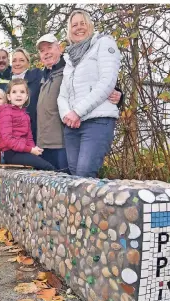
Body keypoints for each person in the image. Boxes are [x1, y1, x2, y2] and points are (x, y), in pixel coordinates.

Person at [36, 34, 122, 172]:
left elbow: (92, 81)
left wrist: (118, 93)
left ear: (59, 48)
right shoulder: (40, 77)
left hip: (64, 142)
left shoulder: (70, 67)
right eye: (42, 51)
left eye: (49, 48)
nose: (46, 53)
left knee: (77, 180)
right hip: (44, 144)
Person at [58, 10, 121, 178]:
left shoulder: (104, 43)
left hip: (97, 122)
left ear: (90, 25)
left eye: (82, 23)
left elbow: (107, 82)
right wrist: (67, 115)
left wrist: (77, 112)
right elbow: (62, 95)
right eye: (74, 25)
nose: (79, 28)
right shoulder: (70, 59)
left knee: (85, 174)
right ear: (69, 30)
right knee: (75, 175)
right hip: (73, 126)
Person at [0, 79, 55, 170]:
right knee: (47, 167)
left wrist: (33, 149)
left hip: (23, 151)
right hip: (11, 153)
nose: (18, 95)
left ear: (27, 96)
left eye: (22, 92)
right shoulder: (5, 113)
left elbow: (29, 137)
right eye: (14, 92)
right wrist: (30, 150)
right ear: (8, 97)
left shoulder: (25, 115)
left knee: (45, 162)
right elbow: (8, 139)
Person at [11, 48, 42, 143]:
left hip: (32, 131)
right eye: (14, 60)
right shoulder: (7, 83)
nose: (17, 63)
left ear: (28, 63)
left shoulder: (37, 76)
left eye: (21, 60)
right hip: (11, 133)